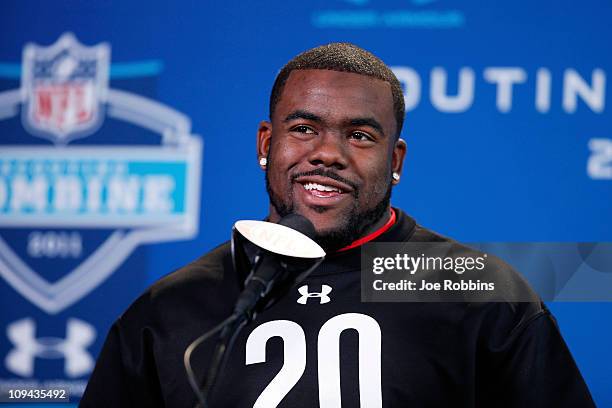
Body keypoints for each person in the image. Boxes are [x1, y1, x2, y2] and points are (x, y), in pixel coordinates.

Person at [81, 43, 594, 407]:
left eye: (360, 135)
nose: (327, 153)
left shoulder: (478, 291)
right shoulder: (168, 310)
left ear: (396, 160)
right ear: (266, 145)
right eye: (304, 129)